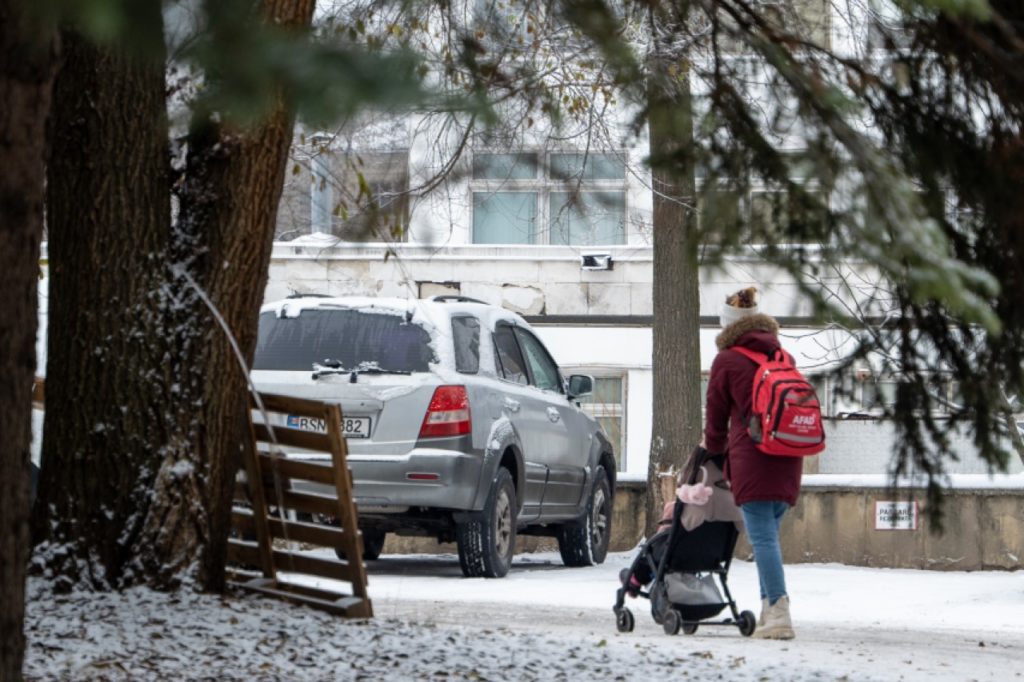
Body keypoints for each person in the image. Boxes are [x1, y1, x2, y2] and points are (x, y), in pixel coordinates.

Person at [703, 286, 802, 640]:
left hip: (753, 457)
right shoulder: (782, 356)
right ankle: (769, 610)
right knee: (768, 536)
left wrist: (712, 451)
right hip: (789, 457)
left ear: (727, 325)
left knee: (763, 540)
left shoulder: (727, 361)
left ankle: (778, 613)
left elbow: (715, 417)